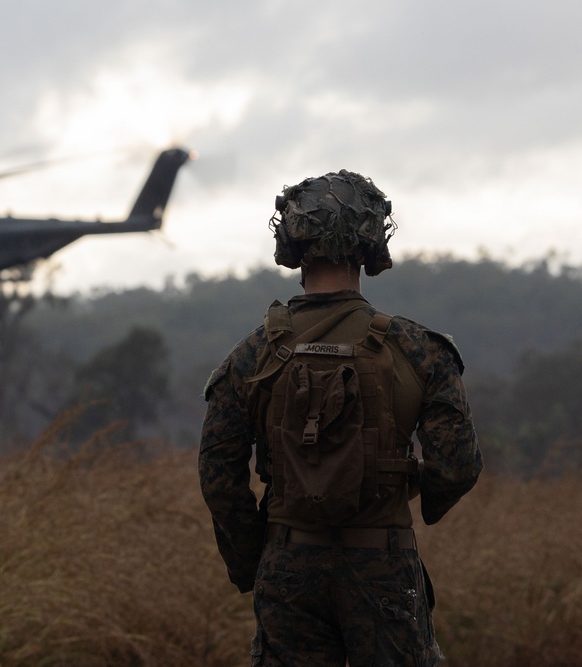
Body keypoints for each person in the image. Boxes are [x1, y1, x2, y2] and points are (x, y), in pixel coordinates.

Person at [199, 170, 482, 666]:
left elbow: (219, 476)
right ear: (370, 243)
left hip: (287, 568)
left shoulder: (250, 356)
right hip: (385, 568)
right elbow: (456, 465)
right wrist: (413, 499)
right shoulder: (419, 351)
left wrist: (253, 561)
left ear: (291, 243)